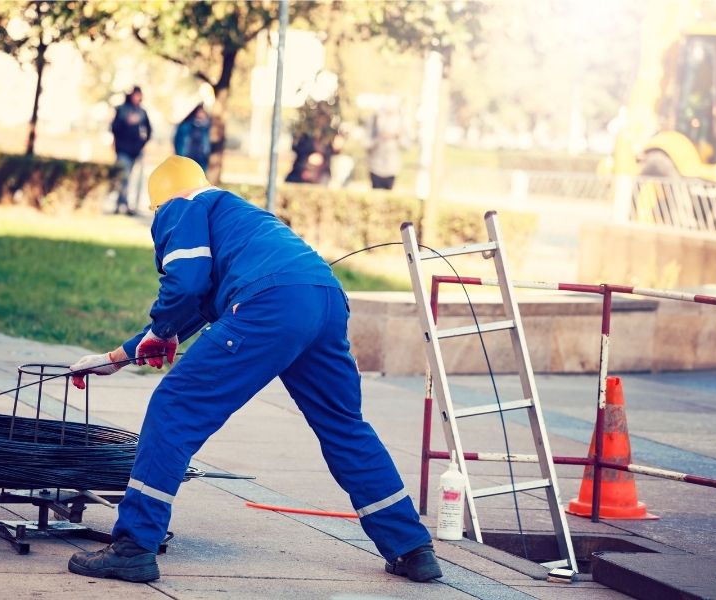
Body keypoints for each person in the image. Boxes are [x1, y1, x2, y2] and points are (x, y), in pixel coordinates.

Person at [66, 155, 442, 585]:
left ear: (160, 204)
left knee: (175, 408)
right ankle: (412, 548)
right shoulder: (238, 214)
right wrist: (118, 356)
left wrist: (164, 326)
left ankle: (133, 546)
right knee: (344, 427)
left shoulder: (181, 206)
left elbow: (186, 284)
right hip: (323, 299)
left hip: (269, 303)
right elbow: (203, 301)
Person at [111, 86, 152, 215]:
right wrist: (126, 122)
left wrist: (142, 142)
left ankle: (131, 206)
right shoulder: (121, 110)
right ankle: (120, 204)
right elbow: (114, 128)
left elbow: (149, 130)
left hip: (137, 150)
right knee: (123, 178)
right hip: (123, 149)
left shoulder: (142, 112)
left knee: (135, 179)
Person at [285, 112, 336, 185]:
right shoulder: (305, 136)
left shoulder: (328, 137)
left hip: (319, 175)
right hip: (301, 174)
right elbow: (296, 147)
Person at [367, 100, 404, 190]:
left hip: (391, 168)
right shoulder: (374, 122)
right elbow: (366, 143)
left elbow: (406, 145)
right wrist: (379, 138)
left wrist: (397, 137)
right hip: (375, 167)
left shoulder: (400, 124)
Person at [173, 104, 212, 171]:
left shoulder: (208, 127)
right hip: (187, 156)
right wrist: (179, 154)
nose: (200, 114)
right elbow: (177, 141)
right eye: (199, 111)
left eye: (202, 112)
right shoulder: (185, 126)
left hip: (201, 157)